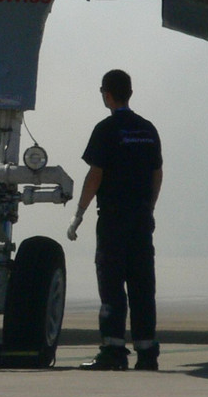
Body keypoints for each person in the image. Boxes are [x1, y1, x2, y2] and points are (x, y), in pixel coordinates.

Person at [68, 68, 163, 371]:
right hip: (140, 217)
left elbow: (96, 175)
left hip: (113, 219)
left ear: (106, 94)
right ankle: (147, 353)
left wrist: (79, 213)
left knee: (111, 284)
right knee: (142, 285)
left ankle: (113, 351)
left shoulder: (106, 129)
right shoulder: (148, 129)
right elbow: (156, 174)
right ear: (130, 93)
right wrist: (148, 208)